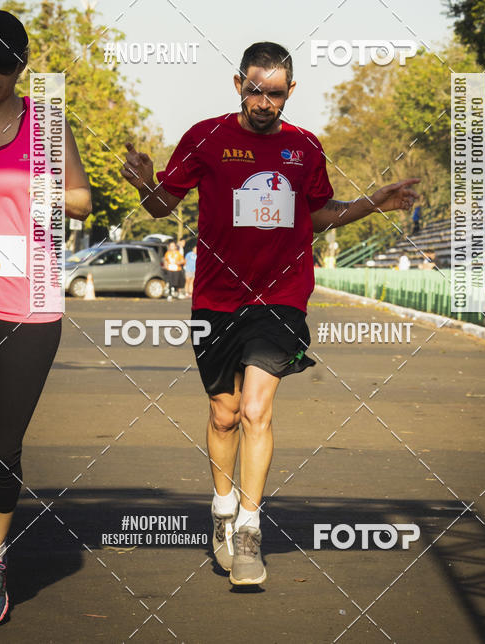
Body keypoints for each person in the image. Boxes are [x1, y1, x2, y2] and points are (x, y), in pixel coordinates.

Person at [121, 41, 419, 586]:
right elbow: (166, 202)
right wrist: (142, 181)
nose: (264, 102)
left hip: (280, 298)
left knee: (258, 409)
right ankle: (221, 509)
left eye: (275, 93)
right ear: (238, 84)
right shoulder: (205, 137)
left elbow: (320, 214)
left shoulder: (305, 147)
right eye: (255, 90)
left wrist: (374, 200)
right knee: (224, 413)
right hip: (216, 298)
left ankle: (251, 531)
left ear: (290, 92)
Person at [0, 8, 91, 639]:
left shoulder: (44, 125)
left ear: (21, 66)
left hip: (32, 303)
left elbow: (81, 199)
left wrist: (42, 188)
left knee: (0, 448)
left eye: (3, 64)